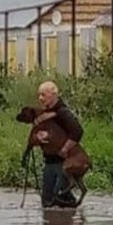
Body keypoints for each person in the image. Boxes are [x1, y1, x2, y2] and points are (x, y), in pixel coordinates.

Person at [33, 80, 84, 208]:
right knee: (47, 202)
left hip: (63, 163)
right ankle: (66, 216)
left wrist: (65, 149)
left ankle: (71, 216)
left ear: (53, 95)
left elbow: (77, 131)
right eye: (39, 95)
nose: (40, 98)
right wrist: (38, 137)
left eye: (43, 95)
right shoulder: (45, 113)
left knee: (59, 198)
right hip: (49, 162)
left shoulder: (63, 113)